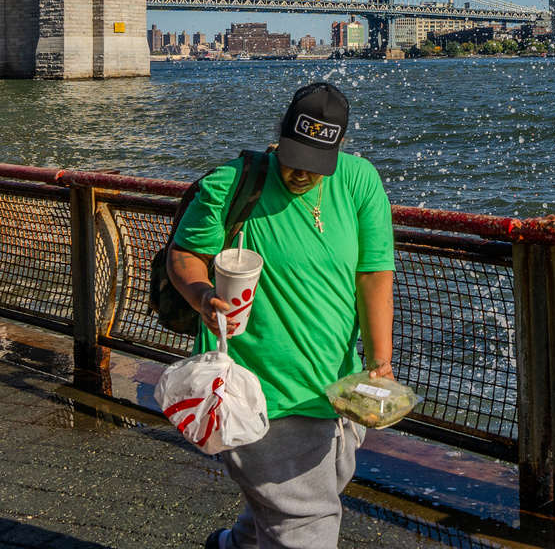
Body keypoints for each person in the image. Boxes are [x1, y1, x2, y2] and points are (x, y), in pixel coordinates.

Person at [168, 81, 395, 549]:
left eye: (314, 165)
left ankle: (238, 544)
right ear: (280, 135)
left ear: (338, 149)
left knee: (308, 497)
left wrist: (379, 364)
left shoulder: (359, 180)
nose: (299, 173)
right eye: (292, 157)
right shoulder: (232, 182)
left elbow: (373, 274)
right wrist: (201, 294)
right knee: (305, 522)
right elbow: (185, 253)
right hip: (258, 389)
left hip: (337, 386)